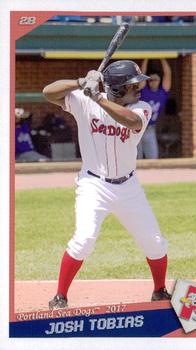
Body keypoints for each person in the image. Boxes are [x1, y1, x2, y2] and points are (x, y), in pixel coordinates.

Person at [43, 60, 171, 309]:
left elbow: (131, 122)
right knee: (84, 240)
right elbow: (48, 92)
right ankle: (60, 295)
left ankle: (159, 290)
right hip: (93, 185)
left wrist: (98, 98)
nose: (139, 88)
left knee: (155, 242)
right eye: (133, 85)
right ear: (118, 88)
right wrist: (80, 82)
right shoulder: (85, 99)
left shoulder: (141, 107)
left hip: (128, 186)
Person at [137, 59, 172, 159]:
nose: (152, 82)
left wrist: (162, 57)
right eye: (150, 80)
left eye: (155, 79)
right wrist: (146, 58)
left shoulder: (162, 92)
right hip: (137, 129)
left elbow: (167, 73)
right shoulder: (143, 90)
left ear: (160, 80)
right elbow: (142, 74)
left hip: (150, 129)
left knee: (153, 158)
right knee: (137, 159)